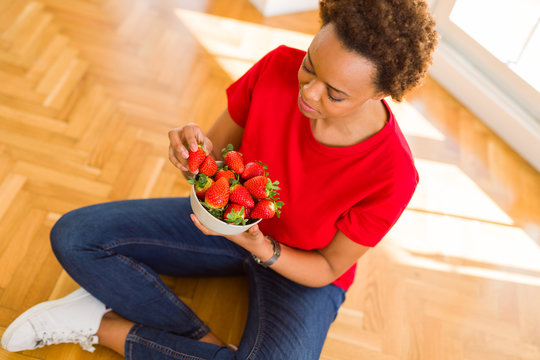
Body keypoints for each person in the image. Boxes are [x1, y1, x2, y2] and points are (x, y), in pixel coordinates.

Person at [1, 0, 438, 359]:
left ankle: (103, 325)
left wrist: (260, 246)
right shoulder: (276, 67)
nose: (308, 91)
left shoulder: (393, 173)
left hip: (296, 266)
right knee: (75, 235)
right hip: (223, 223)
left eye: (335, 93)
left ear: (381, 93)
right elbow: (214, 155)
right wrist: (193, 154)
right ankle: (203, 348)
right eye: (310, 65)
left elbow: (326, 267)